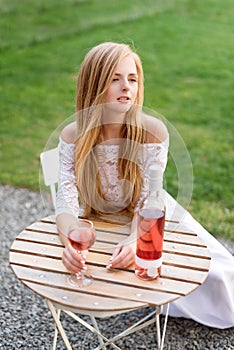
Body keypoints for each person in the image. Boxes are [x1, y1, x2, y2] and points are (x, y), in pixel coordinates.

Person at [55, 42, 234, 329]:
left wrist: (134, 239)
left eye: (132, 79)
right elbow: (64, 199)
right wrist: (70, 243)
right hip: (101, 218)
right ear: (94, 85)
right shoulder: (72, 135)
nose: (126, 86)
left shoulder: (152, 132)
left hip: (151, 214)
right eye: (114, 78)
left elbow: (149, 200)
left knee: (218, 282)